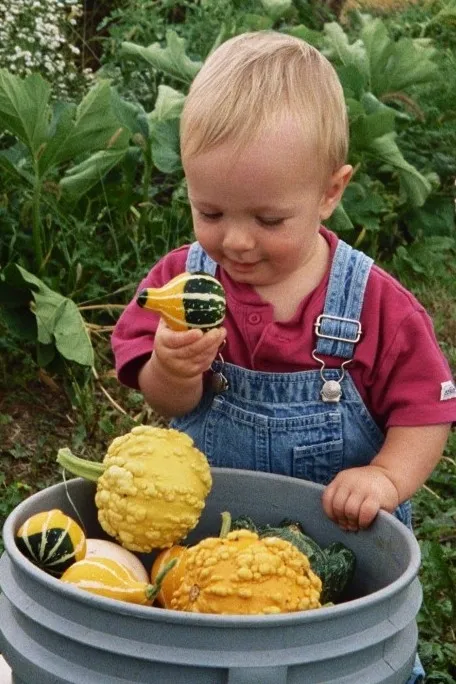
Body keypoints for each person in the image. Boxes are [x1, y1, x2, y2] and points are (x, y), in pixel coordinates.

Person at [112, 31, 456, 682]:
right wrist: (172, 370)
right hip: (209, 547)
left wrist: (386, 478)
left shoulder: (375, 304)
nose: (236, 241)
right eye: (210, 211)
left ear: (330, 192)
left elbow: (425, 408)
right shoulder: (182, 284)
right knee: (200, 657)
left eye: (268, 220)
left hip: (339, 548)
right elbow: (167, 400)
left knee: (353, 663)